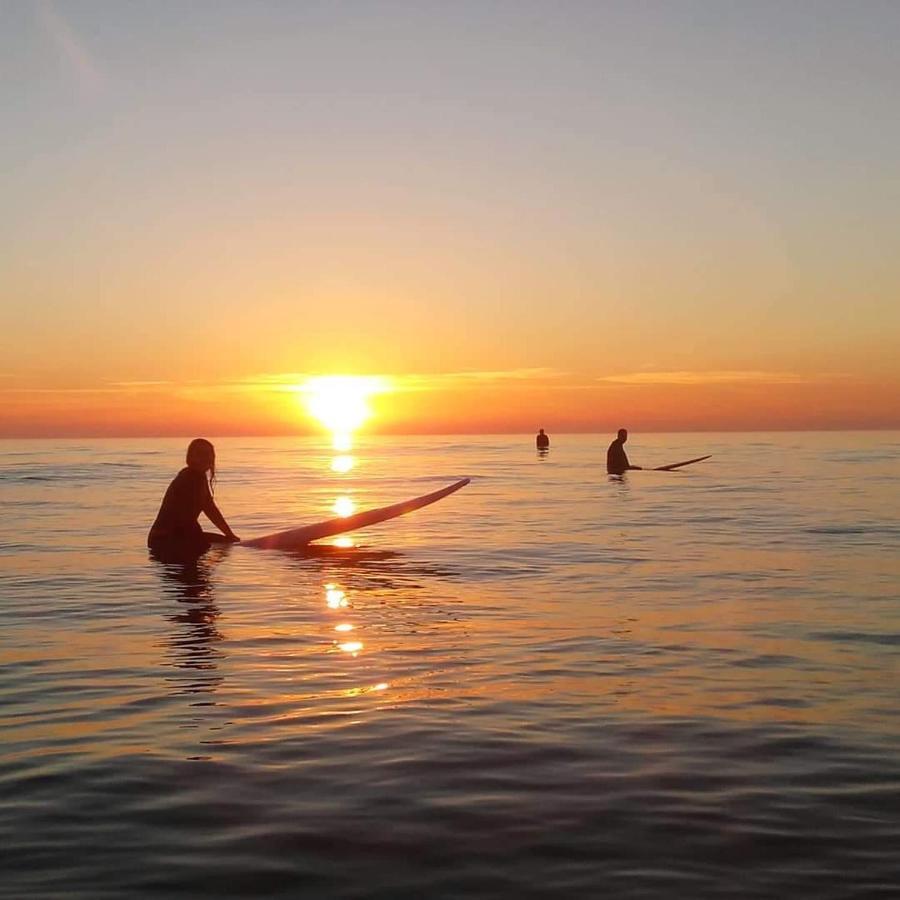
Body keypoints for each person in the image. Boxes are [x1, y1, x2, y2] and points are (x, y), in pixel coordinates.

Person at [148, 438, 240, 561]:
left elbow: (210, 509)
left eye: (209, 454)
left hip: (170, 538)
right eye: (201, 454)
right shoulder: (188, 478)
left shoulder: (199, 477)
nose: (206, 458)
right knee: (215, 547)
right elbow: (184, 519)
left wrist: (229, 535)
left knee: (226, 543)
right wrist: (202, 545)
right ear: (190, 457)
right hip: (164, 540)